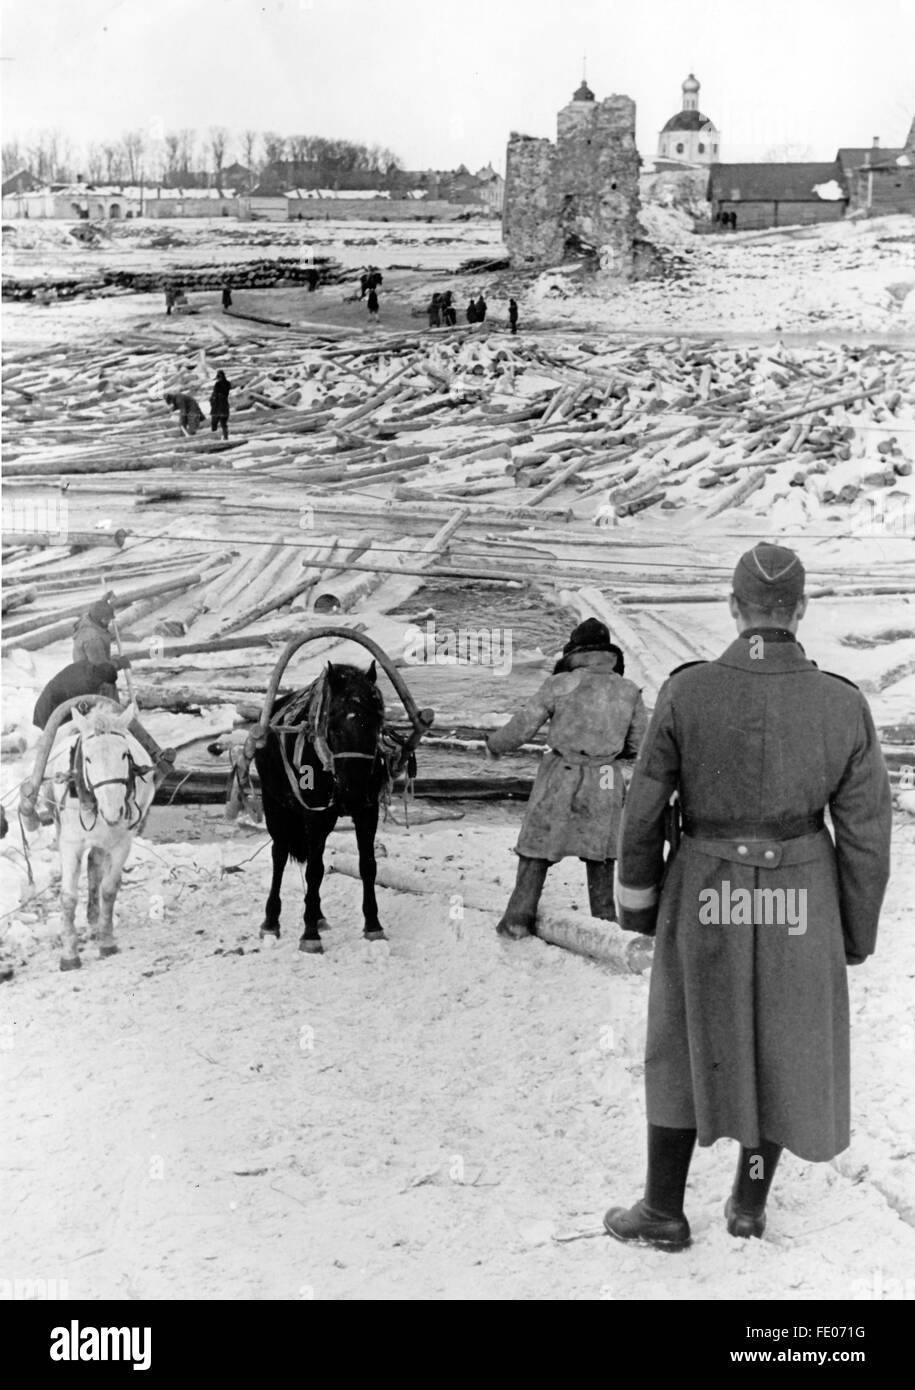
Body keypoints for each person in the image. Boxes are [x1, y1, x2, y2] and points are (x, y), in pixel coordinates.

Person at [604, 542, 892, 1251]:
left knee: (680, 1040)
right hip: (801, 894)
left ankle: (662, 1212)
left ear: (733, 609)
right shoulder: (841, 704)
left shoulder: (686, 690)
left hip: (705, 888)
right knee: (781, 1043)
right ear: (799, 610)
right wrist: (851, 933)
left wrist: (638, 908)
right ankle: (746, 1206)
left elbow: (642, 813)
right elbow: (866, 837)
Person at [486, 619, 647, 937]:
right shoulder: (628, 690)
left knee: (538, 843)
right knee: (601, 849)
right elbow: (637, 743)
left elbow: (523, 726)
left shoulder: (560, 684)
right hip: (605, 776)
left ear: (575, 651)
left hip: (562, 773)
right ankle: (603, 925)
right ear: (608, 653)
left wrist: (496, 745)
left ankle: (519, 918)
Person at [33, 659, 124, 730]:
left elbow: (106, 668)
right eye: (104, 687)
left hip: (51, 701)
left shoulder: (88, 667)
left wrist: (119, 663)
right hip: (49, 715)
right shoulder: (83, 688)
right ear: (102, 682)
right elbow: (81, 713)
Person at [72, 598, 115, 666]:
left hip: (86, 671)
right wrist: (119, 664)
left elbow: (102, 634)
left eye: (109, 619)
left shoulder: (88, 621)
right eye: (106, 619)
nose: (109, 621)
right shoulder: (92, 639)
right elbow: (101, 666)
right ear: (98, 618)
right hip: (90, 674)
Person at [209, 370, 232, 440]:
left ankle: (215, 438)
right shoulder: (228, 384)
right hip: (224, 406)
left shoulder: (217, 385)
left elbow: (214, 396)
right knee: (223, 423)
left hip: (217, 406)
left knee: (214, 423)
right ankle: (225, 437)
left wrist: (212, 401)